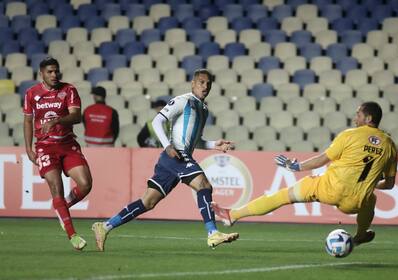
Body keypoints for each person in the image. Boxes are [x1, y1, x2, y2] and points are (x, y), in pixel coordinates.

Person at [91, 69, 239, 251]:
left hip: (174, 159)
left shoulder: (204, 109)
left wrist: (214, 145)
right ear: (193, 83)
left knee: (148, 202)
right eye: (201, 82)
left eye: (208, 83)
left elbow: (195, 139)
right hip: (175, 154)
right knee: (204, 185)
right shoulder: (183, 101)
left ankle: (105, 226)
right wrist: (167, 146)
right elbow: (157, 121)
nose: (205, 86)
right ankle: (212, 233)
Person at [212, 101, 398, 246]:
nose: (354, 118)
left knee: (284, 196)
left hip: (329, 188)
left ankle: (233, 215)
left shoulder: (350, 135)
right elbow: (389, 184)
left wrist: (296, 167)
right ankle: (360, 235)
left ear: (368, 118)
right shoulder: (389, 145)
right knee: (370, 199)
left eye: (358, 114)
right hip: (354, 202)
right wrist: (369, 185)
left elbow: (322, 159)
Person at [23, 57, 93, 250]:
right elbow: (28, 121)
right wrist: (29, 149)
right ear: (42, 74)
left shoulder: (68, 90)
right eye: (50, 72)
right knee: (56, 187)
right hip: (45, 146)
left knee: (86, 184)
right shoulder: (31, 94)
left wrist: (57, 121)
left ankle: (63, 208)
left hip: (67, 144)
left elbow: (76, 116)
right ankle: (73, 235)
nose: (54, 75)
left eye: (56, 71)